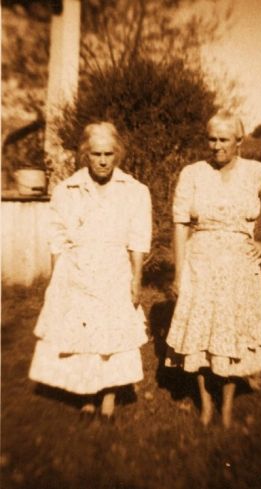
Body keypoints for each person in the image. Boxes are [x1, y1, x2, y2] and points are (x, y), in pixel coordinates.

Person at [166, 110, 261, 428]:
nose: (216, 146)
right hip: (200, 263)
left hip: (239, 266)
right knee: (198, 335)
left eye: (224, 139)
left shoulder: (257, 172)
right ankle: (206, 404)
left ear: (239, 141)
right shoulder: (193, 173)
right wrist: (179, 272)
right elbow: (180, 223)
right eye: (211, 139)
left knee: (233, 335)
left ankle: (226, 407)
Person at [29, 121, 152, 422]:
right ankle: (86, 397)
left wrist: (136, 280)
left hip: (114, 271)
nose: (102, 160)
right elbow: (57, 238)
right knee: (82, 336)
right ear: (85, 153)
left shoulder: (134, 191)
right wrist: (58, 283)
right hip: (77, 270)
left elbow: (138, 240)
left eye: (109, 154)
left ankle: (108, 399)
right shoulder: (66, 190)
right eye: (96, 153)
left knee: (111, 337)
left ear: (118, 154)